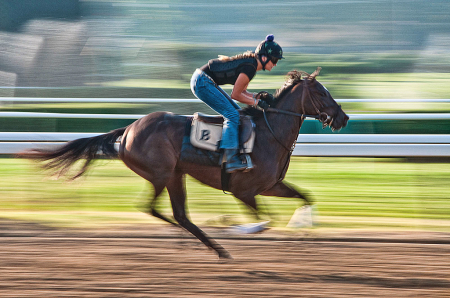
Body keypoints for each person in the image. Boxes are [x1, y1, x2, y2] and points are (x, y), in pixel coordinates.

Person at [190, 34, 284, 173]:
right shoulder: (250, 68)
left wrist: (260, 97)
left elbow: (243, 93)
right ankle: (230, 159)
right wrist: (257, 102)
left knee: (239, 114)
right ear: (264, 58)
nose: (275, 64)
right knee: (232, 115)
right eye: (274, 60)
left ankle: (235, 152)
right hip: (202, 82)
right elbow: (236, 95)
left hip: (205, 81)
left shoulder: (251, 65)